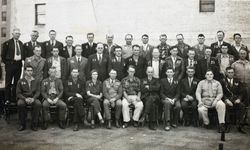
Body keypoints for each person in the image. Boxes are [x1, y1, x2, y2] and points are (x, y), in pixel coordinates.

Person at [220, 67, 246, 134]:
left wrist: (239, 99)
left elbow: (241, 92)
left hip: (235, 99)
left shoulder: (237, 81)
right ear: (226, 73)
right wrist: (226, 99)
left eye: (232, 72)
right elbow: (221, 93)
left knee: (242, 106)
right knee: (226, 106)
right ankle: (227, 125)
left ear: (234, 73)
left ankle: (240, 126)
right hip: (227, 99)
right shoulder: (222, 81)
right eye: (229, 72)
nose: (230, 74)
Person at [1, 28, 24, 103]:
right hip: (10, 65)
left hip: (18, 65)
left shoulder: (21, 43)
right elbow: (3, 55)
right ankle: (7, 99)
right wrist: (8, 63)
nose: (17, 35)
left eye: (19, 33)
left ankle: (14, 98)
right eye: (16, 33)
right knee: (8, 83)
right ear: (13, 34)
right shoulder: (7, 43)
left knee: (16, 83)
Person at [16, 65, 41, 131]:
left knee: (38, 104)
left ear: (32, 72)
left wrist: (33, 98)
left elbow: (38, 92)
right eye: (28, 70)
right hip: (23, 98)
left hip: (33, 97)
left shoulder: (36, 80)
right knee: (20, 104)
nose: (30, 72)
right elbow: (18, 93)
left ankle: (34, 124)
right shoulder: (20, 81)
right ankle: (22, 124)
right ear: (25, 71)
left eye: (31, 71)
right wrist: (25, 99)